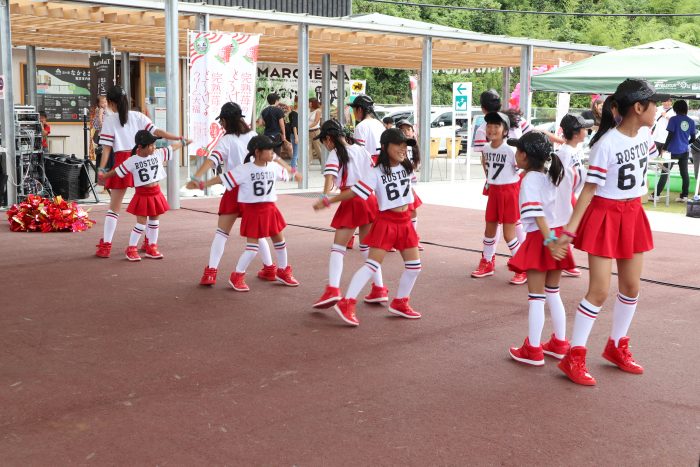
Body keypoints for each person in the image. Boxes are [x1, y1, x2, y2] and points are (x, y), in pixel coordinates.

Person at [551, 79, 667, 386]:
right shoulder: (606, 144)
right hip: (605, 214)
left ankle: (617, 346)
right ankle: (573, 356)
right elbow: (589, 192)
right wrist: (569, 232)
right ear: (638, 108)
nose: (658, 107)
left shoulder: (646, 133)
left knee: (631, 287)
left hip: (632, 213)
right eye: (653, 103)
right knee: (599, 290)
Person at [313, 128, 422, 326]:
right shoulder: (376, 172)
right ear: (386, 147)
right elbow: (354, 192)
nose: (403, 149)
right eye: (399, 145)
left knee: (414, 267)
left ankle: (400, 302)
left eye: (405, 145)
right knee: (372, 264)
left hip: (405, 222)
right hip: (386, 222)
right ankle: (347, 302)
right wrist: (330, 200)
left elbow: (410, 194)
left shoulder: (406, 166)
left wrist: (413, 216)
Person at [188, 102, 292, 286]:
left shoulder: (226, 140)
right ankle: (269, 269)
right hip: (252, 189)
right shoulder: (254, 136)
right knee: (258, 233)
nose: (221, 124)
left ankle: (211, 272)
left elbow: (212, 162)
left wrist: (196, 177)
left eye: (221, 121)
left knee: (222, 233)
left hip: (234, 188)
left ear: (226, 120)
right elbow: (273, 159)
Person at [506, 132, 576, 366]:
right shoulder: (551, 174)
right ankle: (560, 343)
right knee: (553, 293)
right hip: (555, 234)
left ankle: (533, 349)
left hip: (542, 239)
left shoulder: (529, 180)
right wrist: (556, 241)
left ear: (525, 156)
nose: (515, 154)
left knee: (536, 297)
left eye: (518, 151)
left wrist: (549, 243)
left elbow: (536, 215)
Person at [95, 85, 184, 259]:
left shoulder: (110, 120)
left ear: (111, 102)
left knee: (114, 208)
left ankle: (106, 246)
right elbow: (157, 132)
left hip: (123, 160)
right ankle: (150, 243)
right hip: (143, 160)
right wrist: (177, 138)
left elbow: (106, 149)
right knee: (150, 204)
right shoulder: (138, 116)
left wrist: (102, 169)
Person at [312, 119, 384, 309]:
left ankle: (333, 289)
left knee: (338, 248)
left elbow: (329, 178)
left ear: (329, 138)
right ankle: (379, 288)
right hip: (369, 198)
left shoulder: (336, 154)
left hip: (352, 198)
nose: (325, 145)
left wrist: (324, 198)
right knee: (367, 246)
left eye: (324, 141)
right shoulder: (361, 149)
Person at [98, 130, 189, 261]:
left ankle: (152, 247)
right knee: (140, 224)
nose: (154, 147)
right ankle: (131, 248)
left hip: (156, 193)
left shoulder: (157, 154)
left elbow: (172, 148)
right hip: (142, 194)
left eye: (154, 145)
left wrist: (184, 142)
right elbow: (117, 171)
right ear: (140, 147)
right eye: (151, 145)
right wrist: (105, 176)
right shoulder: (132, 160)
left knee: (154, 222)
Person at [471, 111, 526, 285]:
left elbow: (520, 170)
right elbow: (489, 169)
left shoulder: (511, 149)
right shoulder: (486, 148)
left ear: (505, 131)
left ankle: (522, 267)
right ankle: (487, 262)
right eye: (489, 126)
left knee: (510, 234)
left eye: (496, 126)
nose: (492, 129)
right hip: (494, 192)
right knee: (489, 229)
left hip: (509, 193)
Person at [555, 114, 592, 278]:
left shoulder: (575, 149)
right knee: (569, 228)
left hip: (573, 193)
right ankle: (561, 260)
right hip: (565, 195)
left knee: (573, 228)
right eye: (584, 128)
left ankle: (565, 260)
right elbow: (559, 177)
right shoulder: (564, 152)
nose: (587, 130)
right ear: (576, 133)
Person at [657, 100, 696, 202]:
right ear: (686, 109)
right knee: (685, 174)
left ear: (676, 109)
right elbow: (693, 138)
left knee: (665, 172)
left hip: (672, 151)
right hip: (684, 151)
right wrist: (685, 144)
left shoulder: (674, 119)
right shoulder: (691, 121)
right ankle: (684, 196)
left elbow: (670, 135)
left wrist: (664, 148)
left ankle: (656, 195)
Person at [396, 119, 424, 251]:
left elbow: (414, 168)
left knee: (412, 211)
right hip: (396, 185)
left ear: (413, 132)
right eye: (402, 130)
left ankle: (412, 238)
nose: (406, 132)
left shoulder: (414, 147)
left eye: (408, 129)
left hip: (409, 185)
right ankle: (393, 239)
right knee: (396, 213)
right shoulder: (395, 148)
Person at [349, 94, 385, 162]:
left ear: (359, 109)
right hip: (382, 163)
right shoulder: (379, 124)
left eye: (353, 110)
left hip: (368, 165)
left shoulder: (361, 126)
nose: (353, 113)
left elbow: (358, 152)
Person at [651, 98, 675, 199]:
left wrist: (666, 116)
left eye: (668, 101)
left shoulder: (674, 111)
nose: (666, 103)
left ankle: (657, 193)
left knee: (664, 168)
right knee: (650, 162)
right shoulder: (658, 109)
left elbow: (674, 122)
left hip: (667, 141)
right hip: (656, 139)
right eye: (664, 101)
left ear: (671, 102)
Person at [308, 97, 323, 165]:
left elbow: (316, 122)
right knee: (308, 148)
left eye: (309, 102)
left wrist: (307, 127)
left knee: (318, 148)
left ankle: (323, 163)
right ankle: (308, 163)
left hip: (315, 131)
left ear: (312, 103)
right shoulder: (308, 110)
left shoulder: (318, 111)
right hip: (308, 132)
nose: (308, 104)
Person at [288, 97, 299, 175]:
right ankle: (293, 171)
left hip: (294, 135)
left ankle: (294, 169)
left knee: (296, 153)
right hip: (296, 135)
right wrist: (296, 136)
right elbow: (294, 126)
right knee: (295, 154)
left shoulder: (293, 113)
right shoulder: (294, 113)